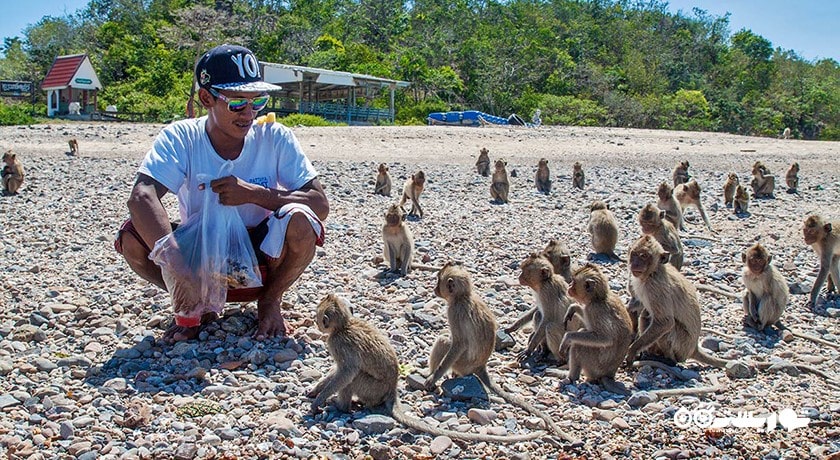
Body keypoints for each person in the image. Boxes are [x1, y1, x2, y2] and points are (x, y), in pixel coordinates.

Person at [115, 44, 329, 343]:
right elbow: (142, 197)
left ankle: (270, 301)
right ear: (206, 98)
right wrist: (179, 268)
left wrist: (254, 194)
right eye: (237, 103)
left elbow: (319, 203)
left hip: (262, 258)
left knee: (302, 220)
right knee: (131, 238)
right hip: (201, 257)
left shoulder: (275, 137)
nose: (249, 114)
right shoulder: (183, 136)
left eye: (257, 102)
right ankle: (196, 304)